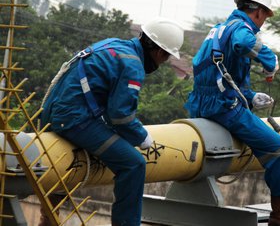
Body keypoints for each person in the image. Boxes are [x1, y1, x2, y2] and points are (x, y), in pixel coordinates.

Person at [39, 17, 184, 226]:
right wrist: (141, 136)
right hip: (73, 119)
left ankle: (48, 219)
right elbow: (121, 117)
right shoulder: (132, 65)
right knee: (134, 164)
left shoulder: (114, 45)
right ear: (160, 52)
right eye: (166, 57)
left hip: (56, 113)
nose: (163, 62)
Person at [185, 0, 280, 226]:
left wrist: (250, 97)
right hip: (224, 107)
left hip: (201, 104)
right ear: (259, 12)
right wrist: (271, 61)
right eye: (265, 18)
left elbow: (217, 77)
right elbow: (243, 44)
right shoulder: (241, 29)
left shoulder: (218, 30)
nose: (263, 25)